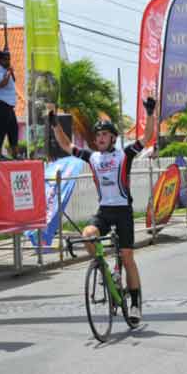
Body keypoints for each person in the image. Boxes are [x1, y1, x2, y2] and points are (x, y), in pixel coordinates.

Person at [48, 98, 156, 323]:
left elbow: (146, 138)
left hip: (123, 211)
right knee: (87, 235)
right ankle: (103, 268)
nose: (100, 138)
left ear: (113, 138)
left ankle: (135, 303)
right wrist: (54, 123)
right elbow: (66, 145)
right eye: (97, 136)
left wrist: (150, 112)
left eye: (104, 135)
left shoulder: (124, 154)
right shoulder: (93, 157)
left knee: (127, 258)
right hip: (104, 211)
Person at [0, 49, 19, 161]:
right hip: (0, 103)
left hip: (9, 104)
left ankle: (15, 154)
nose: (9, 61)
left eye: (9, 59)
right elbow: (1, 84)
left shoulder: (4, 69)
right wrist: (7, 73)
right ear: (0, 60)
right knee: (1, 129)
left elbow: (14, 80)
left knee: (13, 128)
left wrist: (10, 72)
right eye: (7, 59)